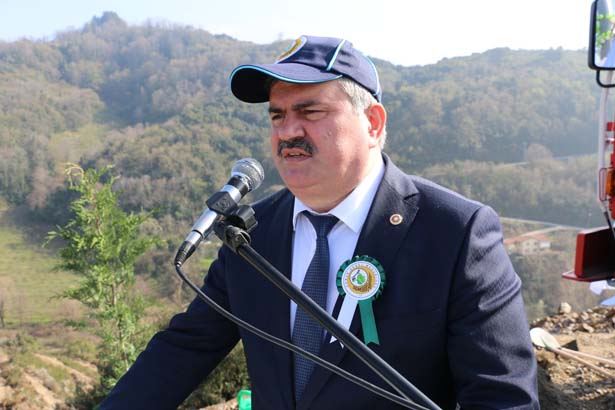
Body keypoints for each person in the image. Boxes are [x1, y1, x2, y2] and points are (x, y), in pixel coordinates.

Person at [102, 35, 539, 409]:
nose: (287, 131)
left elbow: (503, 397)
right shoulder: (250, 236)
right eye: (277, 115)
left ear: (372, 123)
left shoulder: (456, 233)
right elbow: (182, 351)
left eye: (310, 112)